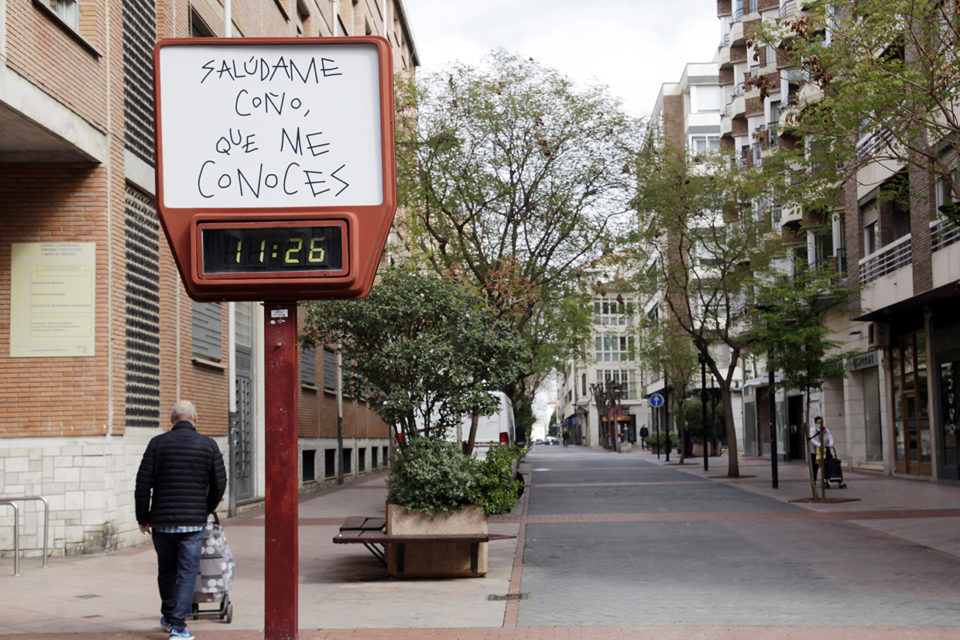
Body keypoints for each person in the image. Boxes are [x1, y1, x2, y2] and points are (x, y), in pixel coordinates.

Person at [136, 400, 227, 640]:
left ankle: (169, 615)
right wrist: (206, 508)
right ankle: (177, 626)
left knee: (166, 570)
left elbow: (142, 485)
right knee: (187, 572)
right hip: (193, 523)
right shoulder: (208, 445)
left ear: (171, 419)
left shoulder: (157, 444)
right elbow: (220, 482)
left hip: (162, 522)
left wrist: (143, 517)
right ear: (195, 419)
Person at [809, 416, 835, 484]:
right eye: (818, 422)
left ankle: (826, 478)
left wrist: (831, 444)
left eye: (821, 422)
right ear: (815, 423)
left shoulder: (826, 430)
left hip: (825, 449)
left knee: (827, 464)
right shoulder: (813, 430)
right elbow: (812, 440)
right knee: (816, 466)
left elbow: (830, 437)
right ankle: (814, 480)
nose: (819, 424)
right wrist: (820, 445)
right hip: (816, 451)